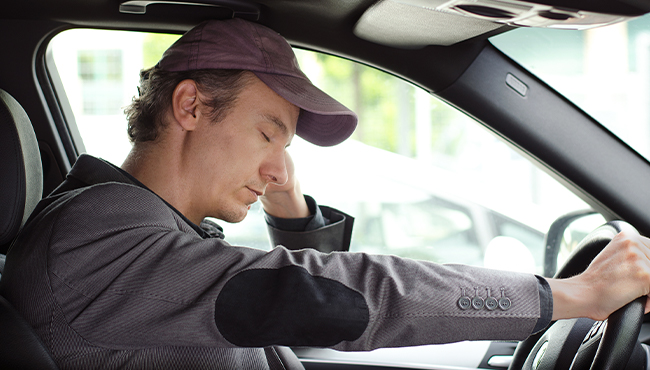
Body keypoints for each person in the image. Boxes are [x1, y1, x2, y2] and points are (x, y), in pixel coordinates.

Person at [2, 18, 650, 370]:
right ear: (191, 105)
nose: (278, 165)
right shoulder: (97, 242)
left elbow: (274, 312)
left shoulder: (139, 228)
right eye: (267, 132)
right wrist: (567, 296)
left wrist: (288, 209)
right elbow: (318, 297)